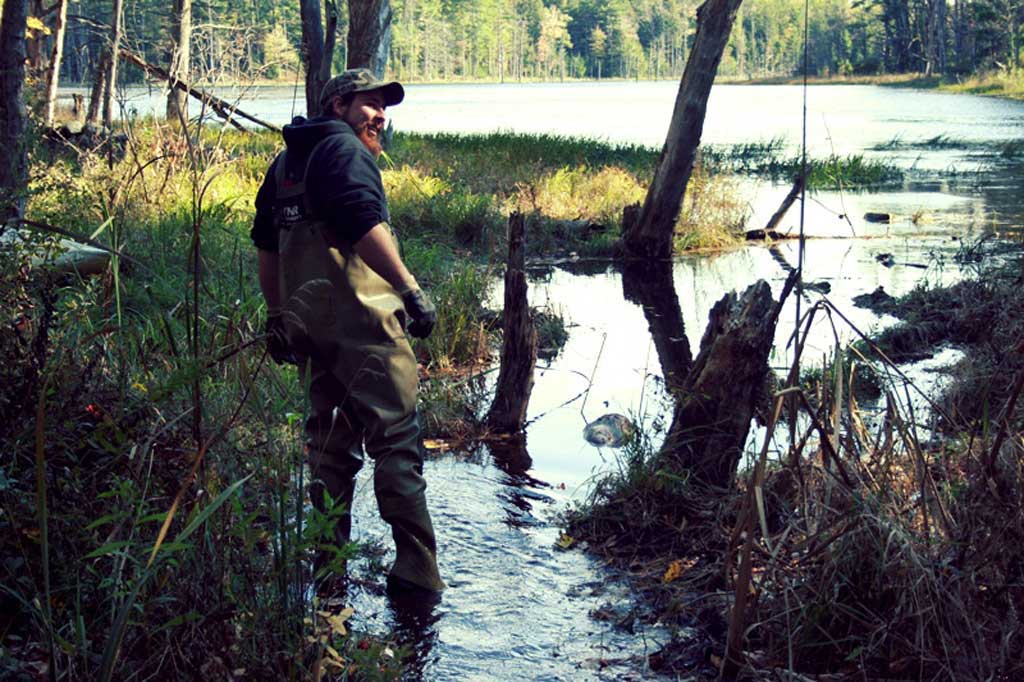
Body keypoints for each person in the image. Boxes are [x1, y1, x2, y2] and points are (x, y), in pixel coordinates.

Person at [250, 69, 445, 597]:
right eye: (370, 104)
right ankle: (417, 573)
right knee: (398, 442)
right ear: (338, 105)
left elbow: (267, 246)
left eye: (385, 107)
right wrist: (410, 290)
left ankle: (328, 572)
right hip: (365, 327)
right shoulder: (344, 151)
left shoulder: (287, 162)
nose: (380, 115)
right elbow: (364, 225)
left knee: (330, 453)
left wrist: (277, 316)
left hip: (309, 331)